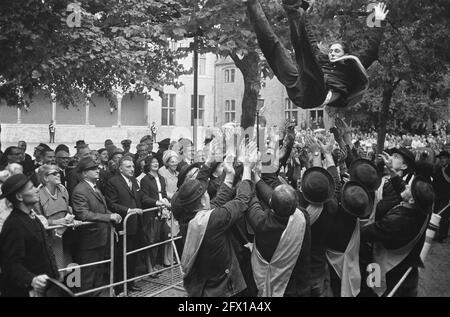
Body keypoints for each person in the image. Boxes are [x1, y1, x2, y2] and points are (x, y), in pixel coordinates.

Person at [244, 0, 389, 109]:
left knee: (303, 52)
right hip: (300, 89)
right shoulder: (322, 59)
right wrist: (304, 13)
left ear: (345, 54)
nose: (332, 53)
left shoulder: (351, 66)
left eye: (337, 51)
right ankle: (252, 4)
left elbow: (372, 47)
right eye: (331, 50)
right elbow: (309, 37)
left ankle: (293, 8)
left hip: (317, 93)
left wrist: (379, 21)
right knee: (274, 48)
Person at [172, 143, 256, 297]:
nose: (207, 192)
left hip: (204, 288)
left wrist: (225, 172)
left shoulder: (188, 217)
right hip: (225, 290)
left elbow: (217, 200)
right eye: (204, 193)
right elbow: (242, 200)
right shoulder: (212, 220)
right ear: (203, 201)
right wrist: (247, 169)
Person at [361, 176, 435, 297]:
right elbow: (406, 191)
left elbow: (367, 233)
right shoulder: (424, 211)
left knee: (374, 288)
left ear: (411, 200)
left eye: (409, 188)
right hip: (407, 263)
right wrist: (394, 175)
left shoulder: (396, 221)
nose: (405, 185)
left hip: (388, 267)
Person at [0, 174, 59, 297]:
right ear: (19, 196)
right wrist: (32, 280)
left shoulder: (31, 217)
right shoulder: (14, 225)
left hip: (44, 290)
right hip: (27, 292)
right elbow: (10, 264)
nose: (36, 189)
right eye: (31, 188)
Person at [71, 157, 122, 296]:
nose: (97, 170)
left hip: (100, 237)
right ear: (84, 173)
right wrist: (108, 217)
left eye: (97, 168)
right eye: (93, 169)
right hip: (89, 240)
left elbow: (102, 209)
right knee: (88, 276)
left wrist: (112, 215)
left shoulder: (95, 188)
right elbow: (83, 214)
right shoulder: (80, 190)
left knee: (98, 274)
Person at [105, 157, 155, 294]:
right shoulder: (113, 182)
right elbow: (112, 203)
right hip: (123, 225)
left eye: (132, 166)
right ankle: (120, 286)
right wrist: (128, 211)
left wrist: (156, 203)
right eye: (128, 167)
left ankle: (130, 282)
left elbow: (142, 197)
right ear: (120, 168)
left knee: (132, 255)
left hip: (136, 224)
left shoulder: (133, 181)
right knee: (121, 257)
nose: (132, 169)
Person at [35, 165, 76, 270]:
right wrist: (56, 222)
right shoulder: (38, 195)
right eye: (54, 173)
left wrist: (71, 219)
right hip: (50, 238)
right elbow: (37, 221)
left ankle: (69, 285)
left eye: (58, 172)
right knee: (56, 267)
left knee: (70, 268)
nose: (58, 175)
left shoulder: (63, 190)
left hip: (67, 234)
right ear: (45, 178)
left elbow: (67, 210)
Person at [140, 156, 171, 272]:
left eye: (156, 161)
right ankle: (149, 267)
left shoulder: (162, 179)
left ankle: (157, 264)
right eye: (152, 162)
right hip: (151, 214)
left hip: (162, 213)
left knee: (163, 237)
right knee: (151, 240)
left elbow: (163, 193)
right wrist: (156, 202)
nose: (155, 164)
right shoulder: (145, 180)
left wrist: (165, 200)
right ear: (148, 165)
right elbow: (144, 198)